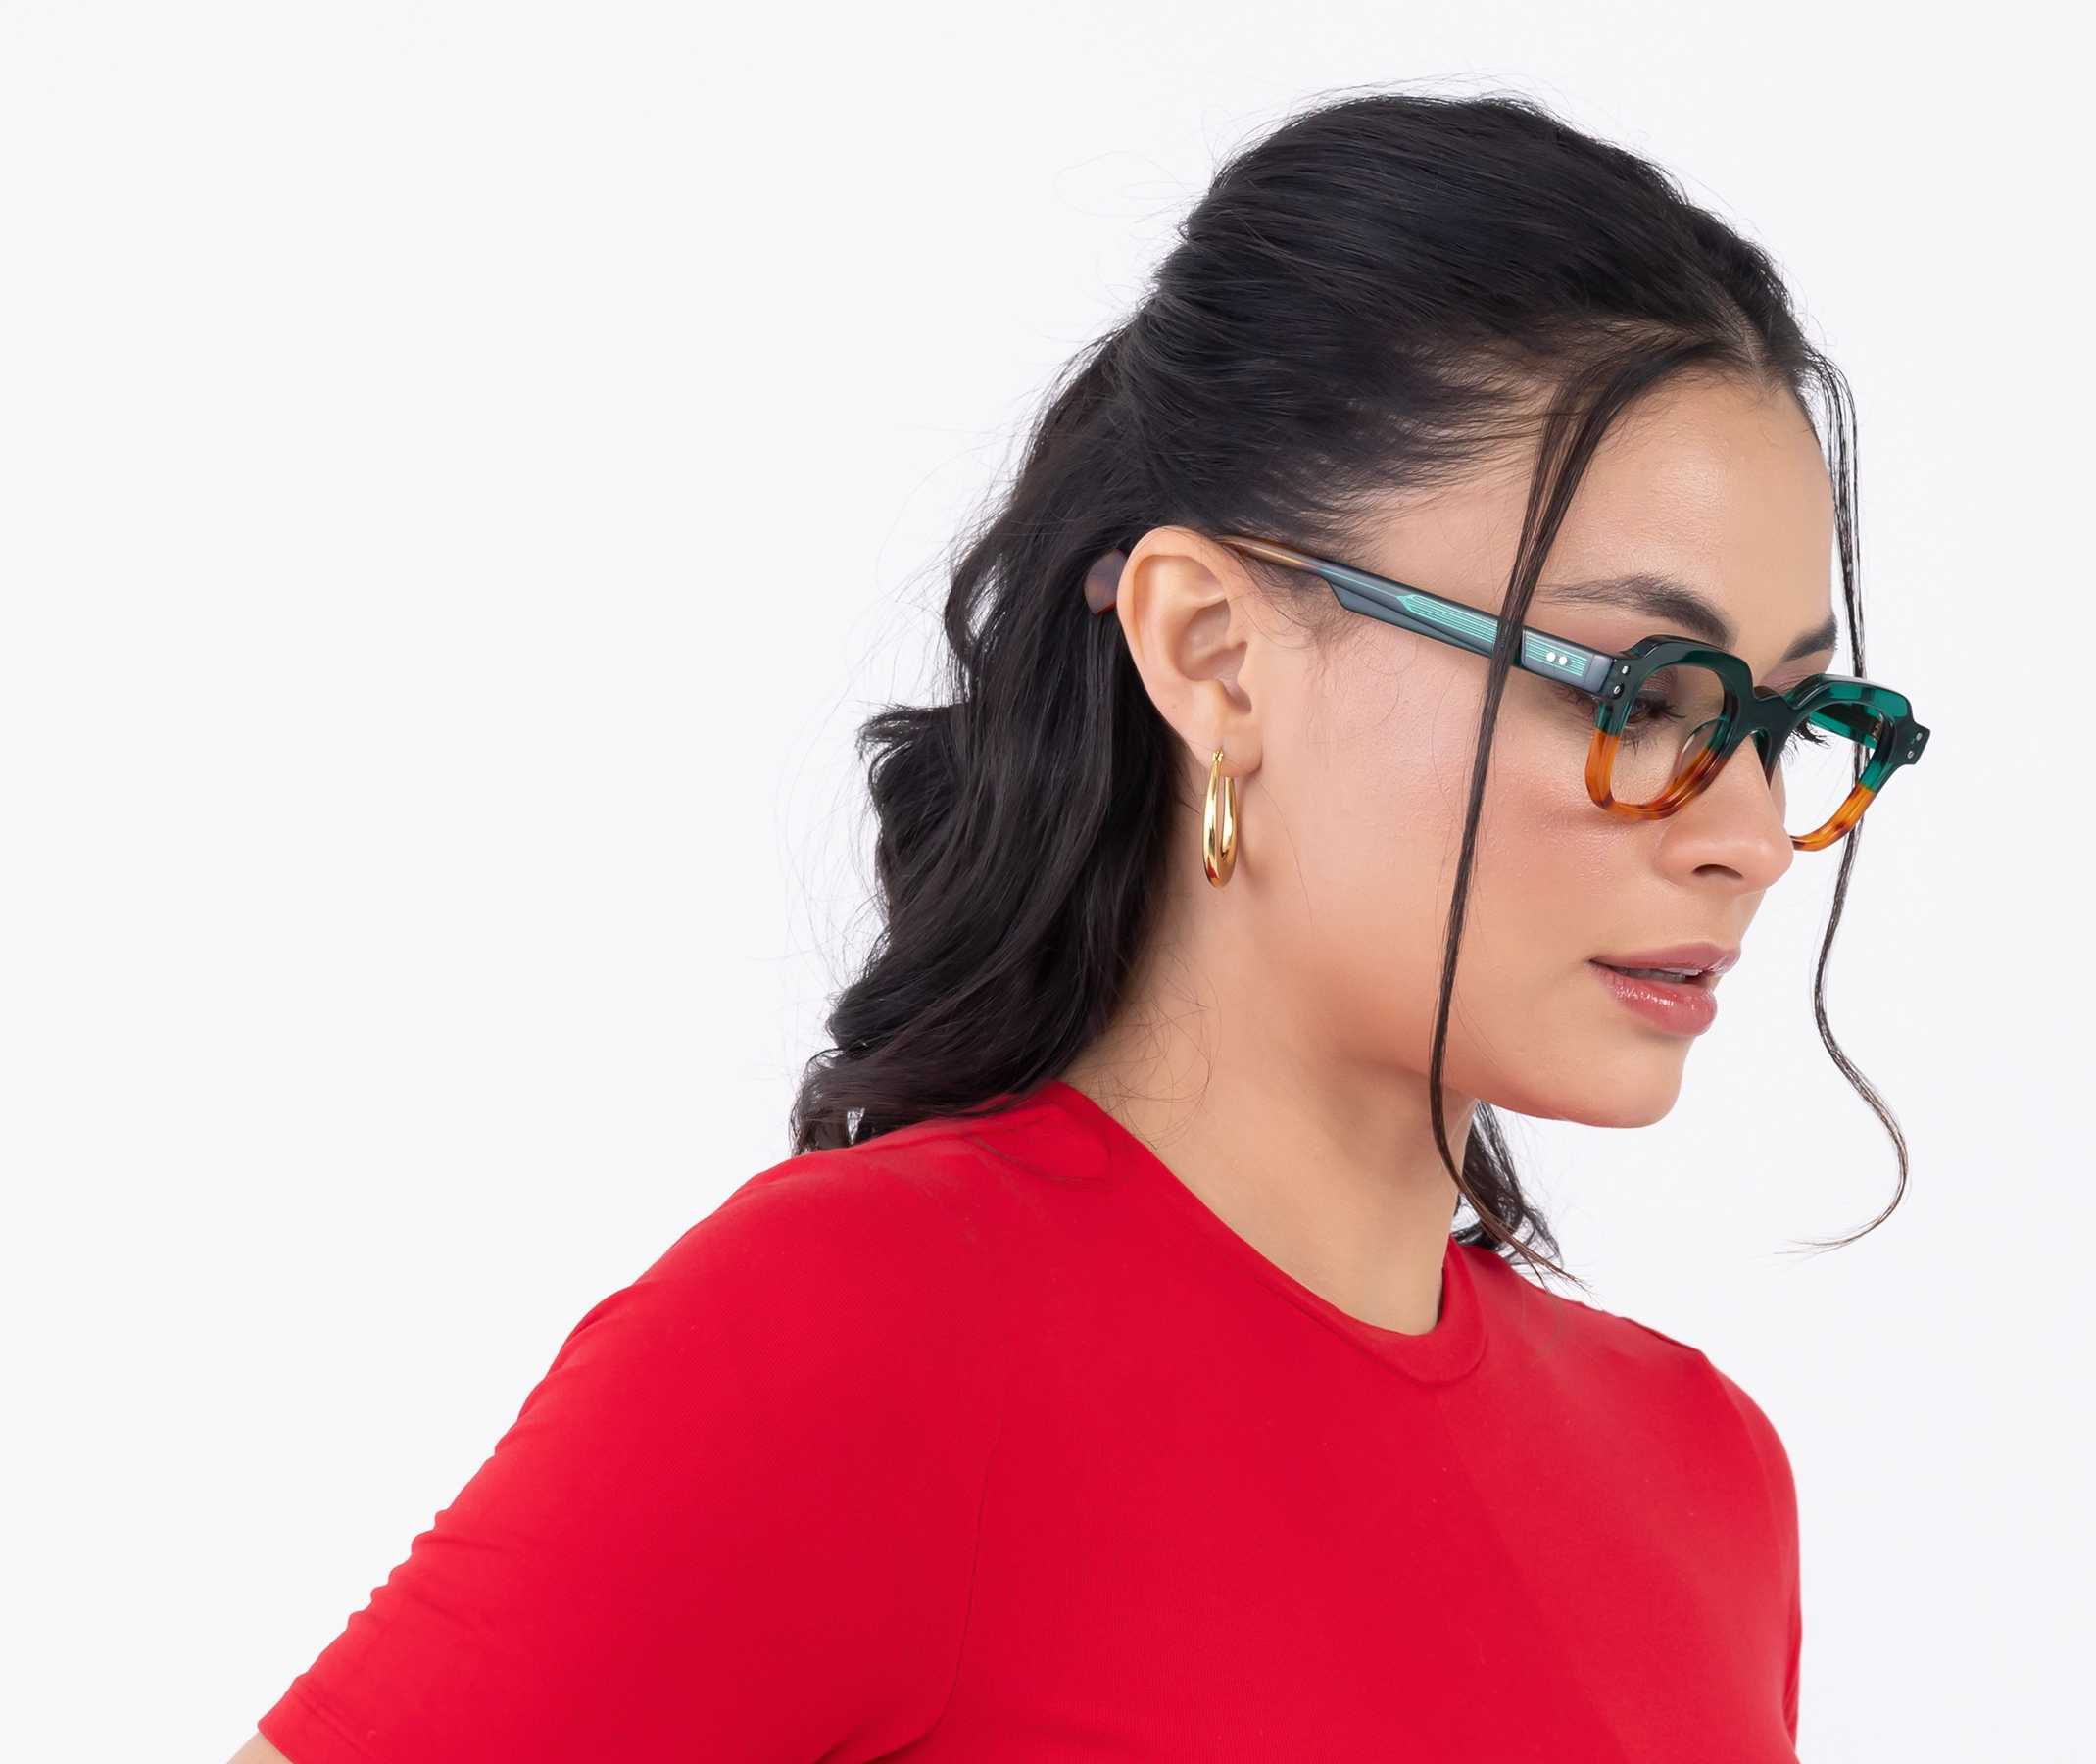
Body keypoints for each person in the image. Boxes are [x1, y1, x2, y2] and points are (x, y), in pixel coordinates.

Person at [232, 92, 1928, 1764]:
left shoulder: (1700, 1473)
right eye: (1643, 693)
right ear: (1215, 655)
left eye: (1786, 721)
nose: (1748, 838)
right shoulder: (866, 1342)